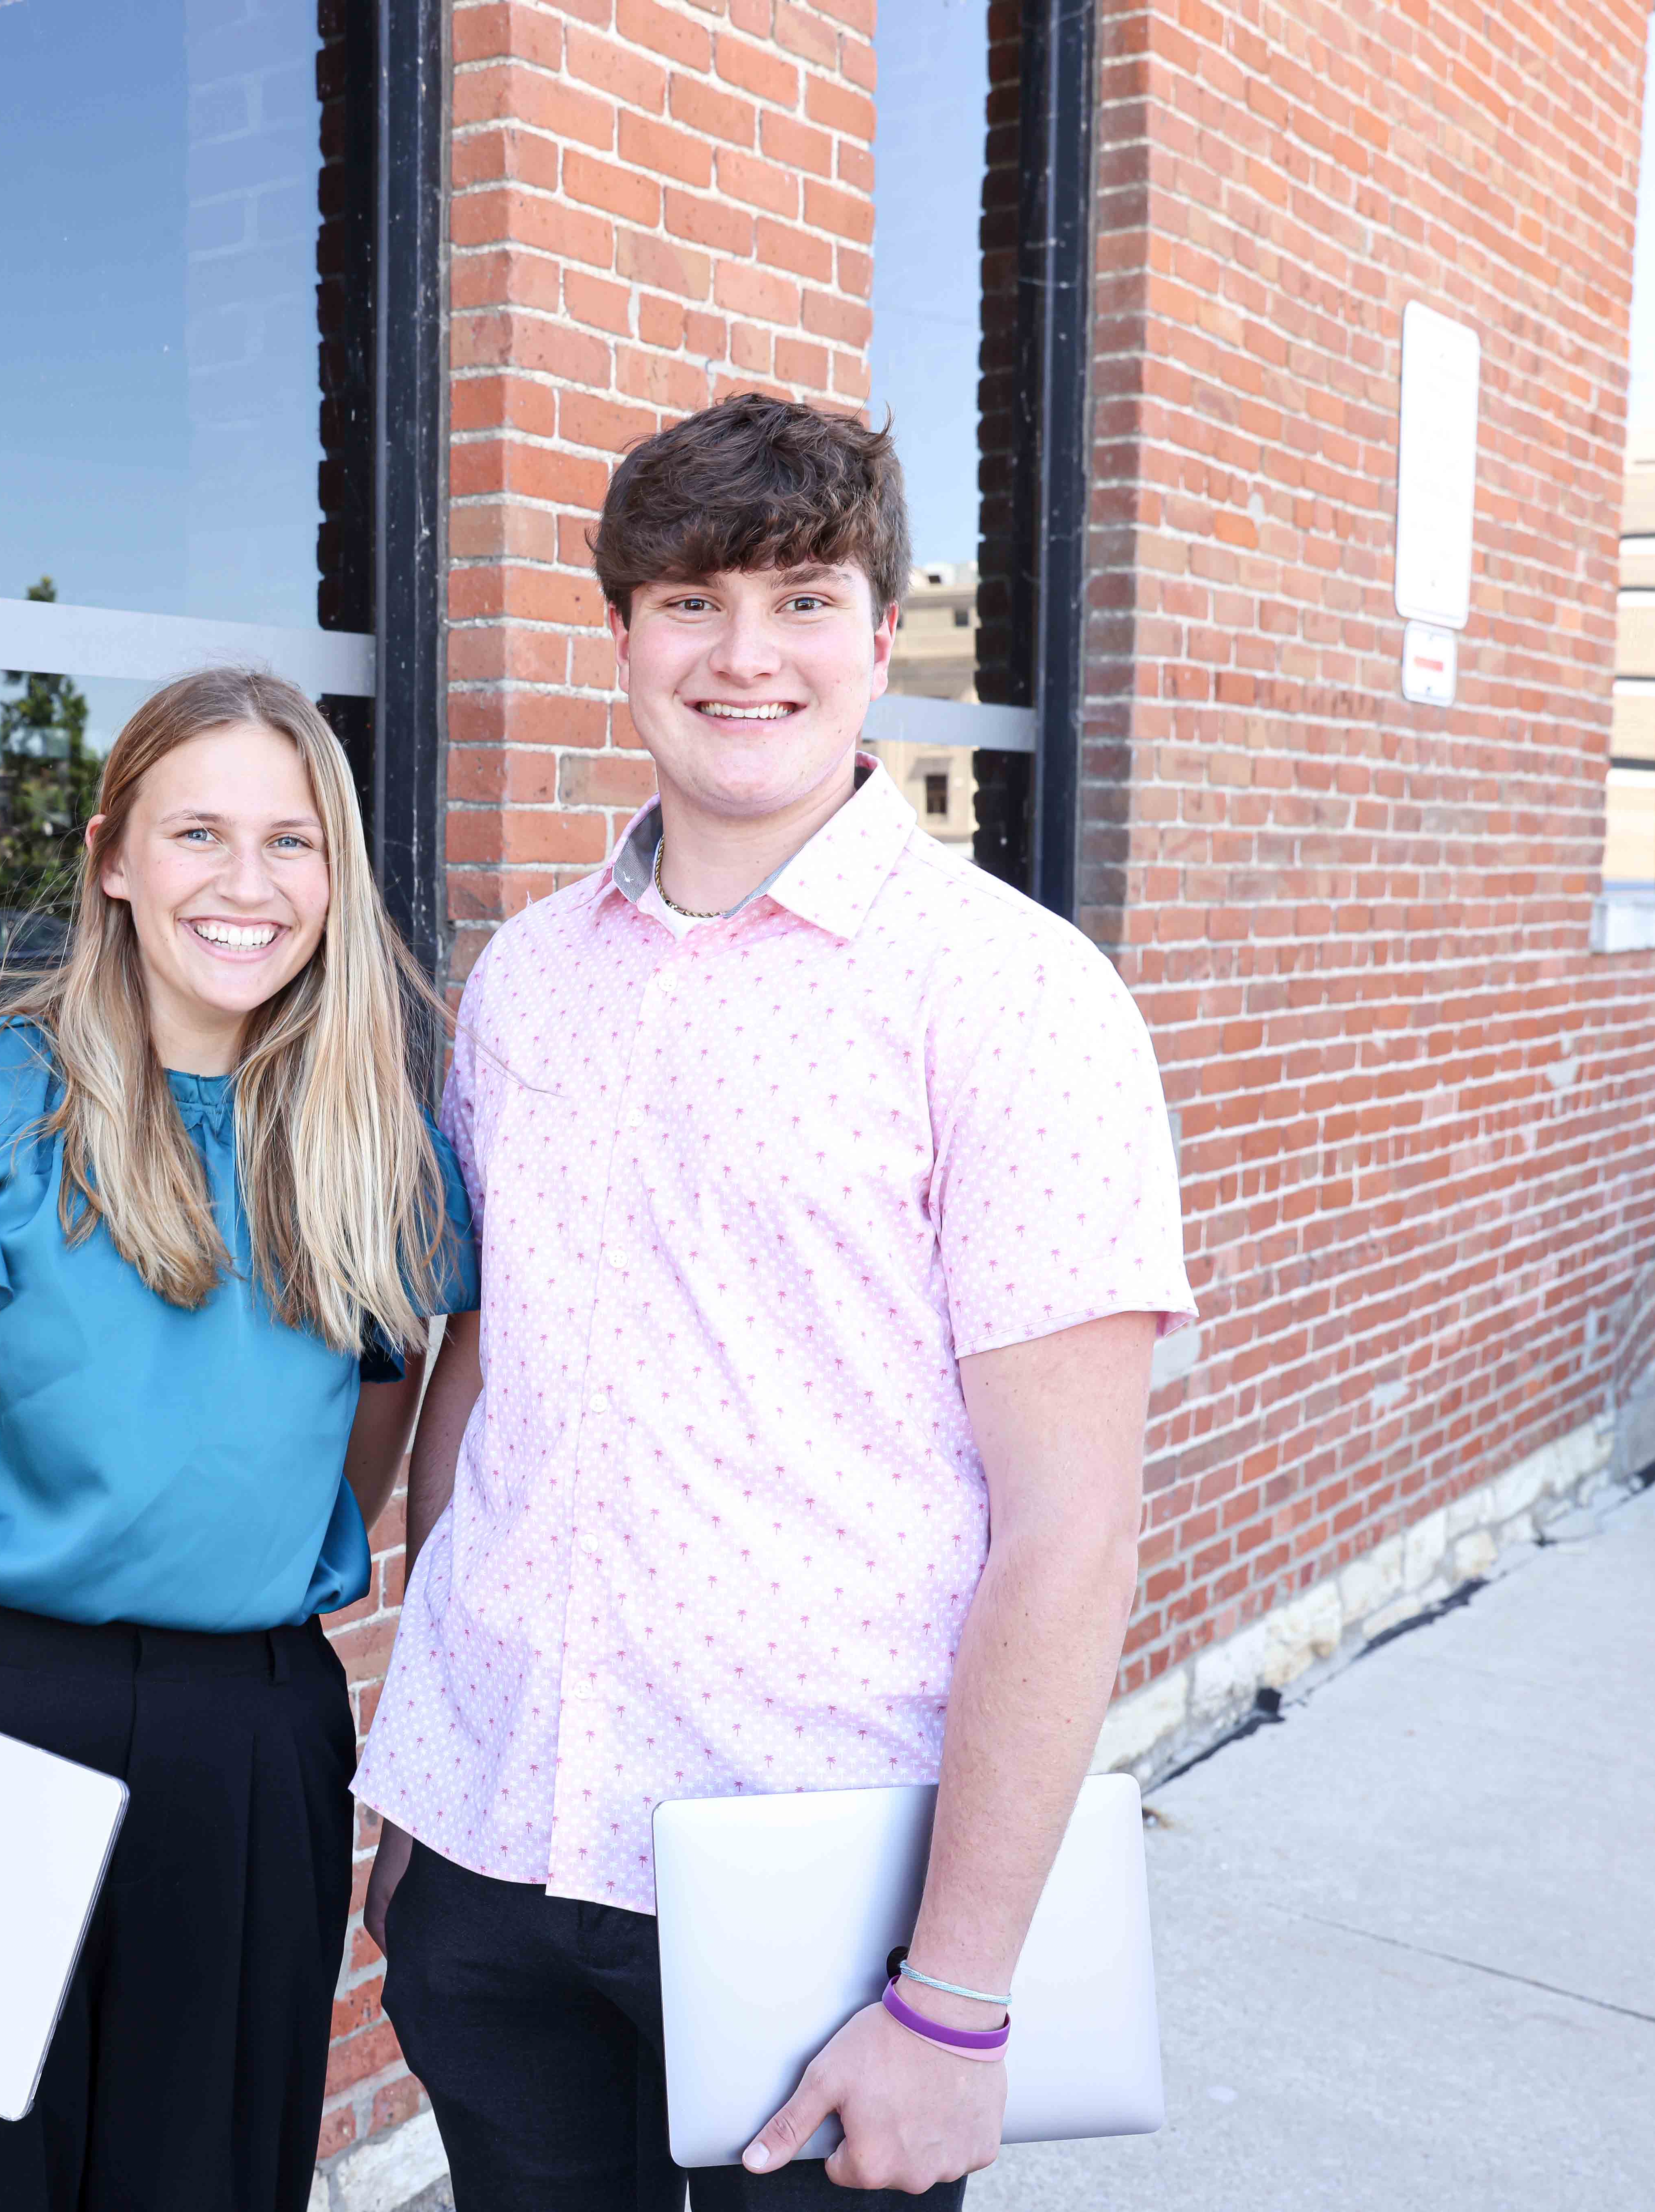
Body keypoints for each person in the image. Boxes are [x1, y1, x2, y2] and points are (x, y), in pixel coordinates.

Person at [355, 393, 1196, 2210]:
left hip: (822, 1905)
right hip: (494, 1858)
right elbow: (489, 1362)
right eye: (687, 602)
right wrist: (424, 1790)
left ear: (882, 639)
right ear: (622, 640)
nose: (743, 655)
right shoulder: (522, 981)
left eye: (802, 599)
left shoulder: (1008, 999)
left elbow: (1071, 1526)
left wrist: (957, 2001)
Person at [0, 666, 475, 2212]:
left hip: (248, 1751)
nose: (247, 885)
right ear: (113, 857)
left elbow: (349, 1478)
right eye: (199, 832)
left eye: (293, 842)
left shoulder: (373, 1162)